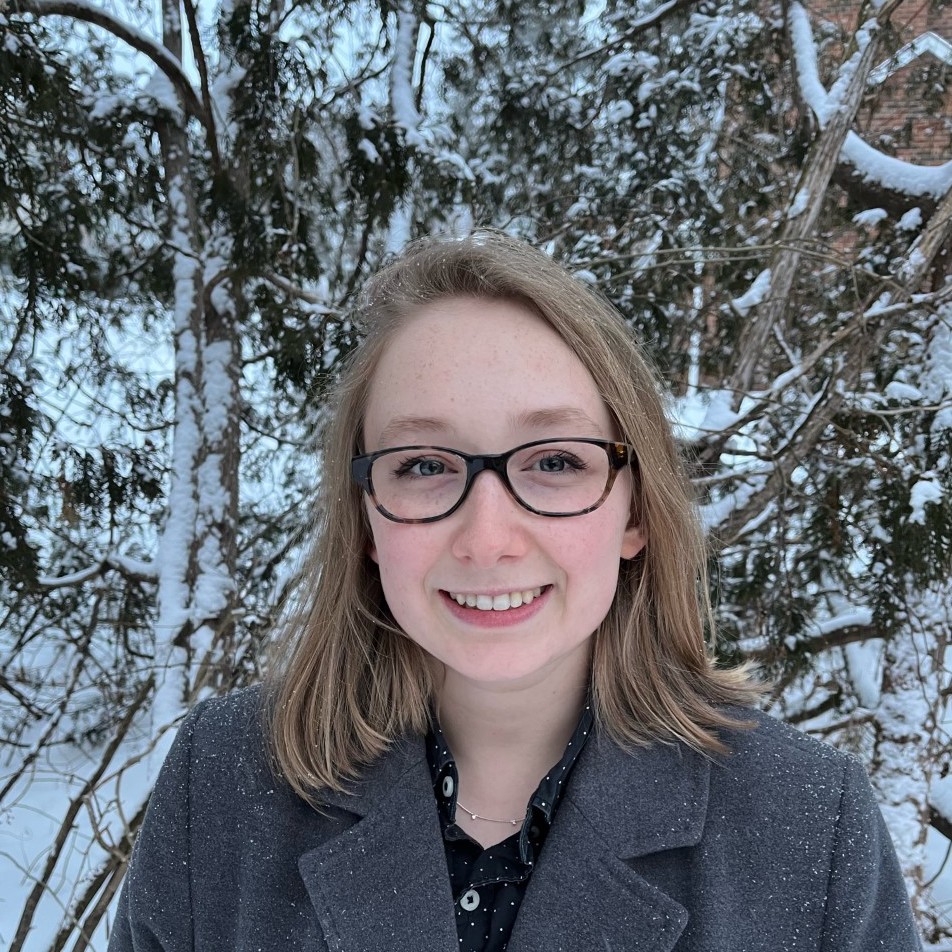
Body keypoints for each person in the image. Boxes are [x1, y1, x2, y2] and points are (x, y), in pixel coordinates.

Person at [109, 232, 923, 952]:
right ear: (365, 519)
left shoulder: (810, 827)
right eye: (424, 466)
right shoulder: (223, 783)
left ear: (634, 508)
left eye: (556, 462)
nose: (488, 538)